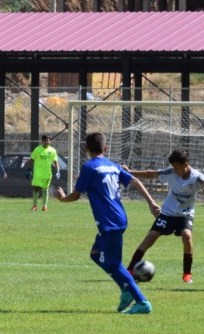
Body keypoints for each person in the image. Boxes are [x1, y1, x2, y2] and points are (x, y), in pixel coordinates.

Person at [54, 131, 160, 314]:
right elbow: (134, 180)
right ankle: (126, 289)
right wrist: (151, 203)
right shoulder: (113, 166)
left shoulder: (89, 167)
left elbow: (76, 195)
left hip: (109, 222)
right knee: (96, 254)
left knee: (115, 264)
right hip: (117, 218)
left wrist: (62, 198)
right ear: (106, 148)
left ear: (86, 149)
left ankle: (141, 301)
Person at [129, 148, 204, 283]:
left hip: (185, 214)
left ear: (186, 165)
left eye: (177, 167)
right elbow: (151, 174)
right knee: (150, 237)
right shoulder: (171, 172)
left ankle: (187, 274)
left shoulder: (196, 176)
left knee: (187, 236)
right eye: (173, 167)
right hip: (167, 212)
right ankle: (131, 269)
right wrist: (131, 172)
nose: (175, 170)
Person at [30, 134, 60, 211]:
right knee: (36, 189)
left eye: (48, 140)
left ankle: (44, 206)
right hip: (37, 173)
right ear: (42, 141)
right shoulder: (37, 149)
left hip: (47, 174)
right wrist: (29, 170)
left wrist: (58, 171)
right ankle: (34, 206)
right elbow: (32, 159)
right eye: (45, 140)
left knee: (45, 189)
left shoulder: (52, 150)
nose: (47, 141)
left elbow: (56, 161)